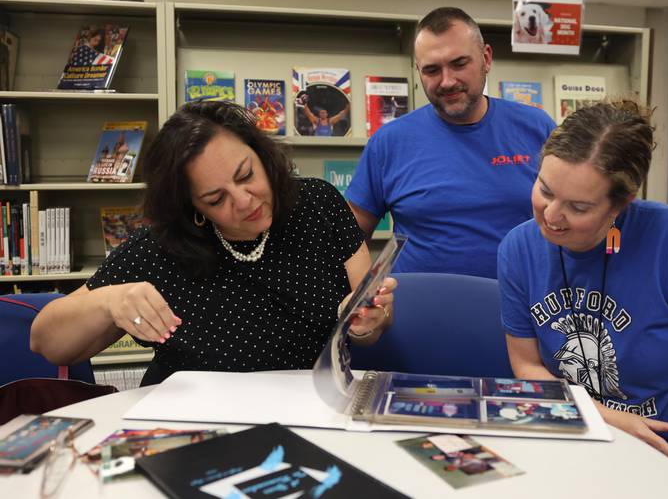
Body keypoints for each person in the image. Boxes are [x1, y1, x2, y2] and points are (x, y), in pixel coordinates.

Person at [498, 99, 668, 498]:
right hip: (592, 451)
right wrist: (607, 417)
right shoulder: (518, 249)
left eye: (578, 206)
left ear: (620, 205)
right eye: (545, 189)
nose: (551, 215)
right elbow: (527, 365)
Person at [30, 101, 396, 386]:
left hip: (308, 408)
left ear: (262, 154)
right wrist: (109, 301)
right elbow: (46, 341)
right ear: (193, 208)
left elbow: (367, 323)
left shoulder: (318, 204)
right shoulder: (163, 248)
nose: (244, 201)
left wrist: (366, 322)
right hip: (196, 424)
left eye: (246, 175)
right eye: (216, 199)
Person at [346, 7, 556, 279]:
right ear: (419, 70)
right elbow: (348, 237)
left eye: (459, 64)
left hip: (522, 309)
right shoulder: (389, 143)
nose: (447, 81)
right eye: (432, 70)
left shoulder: (537, 128)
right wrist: (365, 299)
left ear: (486, 58)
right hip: (419, 313)